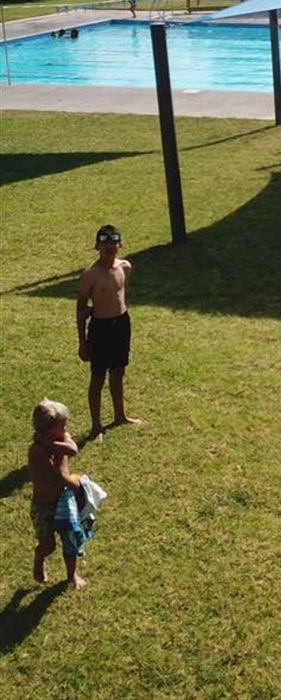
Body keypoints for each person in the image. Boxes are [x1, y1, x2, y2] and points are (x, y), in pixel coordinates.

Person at [76, 225, 141, 441]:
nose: (109, 247)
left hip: (121, 324)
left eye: (113, 242)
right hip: (100, 328)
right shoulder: (90, 275)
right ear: (97, 246)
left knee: (118, 371)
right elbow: (81, 310)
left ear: (119, 244)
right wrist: (83, 342)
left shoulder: (125, 267)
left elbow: (122, 294)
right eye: (104, 243)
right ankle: (96, 426)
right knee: (97, 378)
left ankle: (120, 416)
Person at [28, 399, 89, 588]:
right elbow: (59, 476)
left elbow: (73, 449)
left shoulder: (59, 440)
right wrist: (80, 487)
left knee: (70, 539)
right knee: (49, 545)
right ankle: (39, 559)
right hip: (44, 506)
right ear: (49, 430)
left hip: (63, 501)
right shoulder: (37, 451)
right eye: (63, 425)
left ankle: (72, 576)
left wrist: (52, 443)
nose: (67, 427)